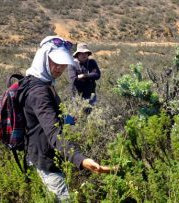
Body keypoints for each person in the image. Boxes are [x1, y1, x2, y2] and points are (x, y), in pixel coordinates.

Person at [18, 36, 111, 202]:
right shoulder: (39, 92)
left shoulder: (42, 82)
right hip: (44, 159)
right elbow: (54, 133)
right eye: (55, 61)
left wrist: (68, 119)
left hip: (41, 152)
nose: (60, 67)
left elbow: (51, 115)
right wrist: (81, 160)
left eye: (63, 63)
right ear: (43, 57)